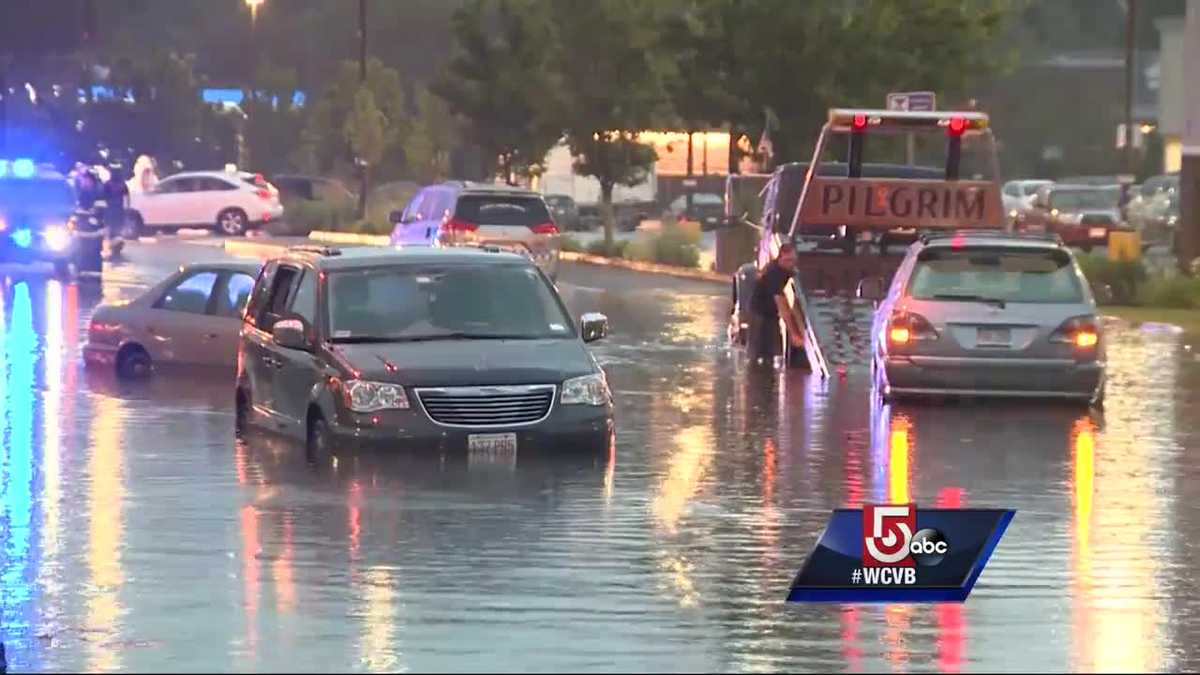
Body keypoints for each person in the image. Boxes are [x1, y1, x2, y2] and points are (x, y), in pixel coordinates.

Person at [749, 243, 805, 366]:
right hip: (760, 313)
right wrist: (794, 334)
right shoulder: (774, 273)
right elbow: (782, 306)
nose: (791, 264)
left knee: (771, 351)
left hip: (771, 313)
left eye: (793, 260)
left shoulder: (788, 270)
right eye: (787, 260)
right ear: (780, 258)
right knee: (760, 353)